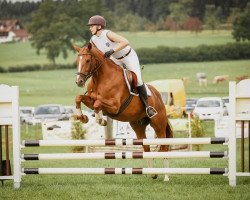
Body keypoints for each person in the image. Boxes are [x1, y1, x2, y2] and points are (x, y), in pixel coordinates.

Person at [87, 15, 157, 118]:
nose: (90, 28)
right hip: (115, 59)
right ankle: (100, 106)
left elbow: (125, 41)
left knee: (138, 80)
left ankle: (148, 107)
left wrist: (112, 50)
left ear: (99, 26)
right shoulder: (93, 40)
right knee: (107, 79)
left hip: (128, 56)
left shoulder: (108, 34)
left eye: (91, 26)